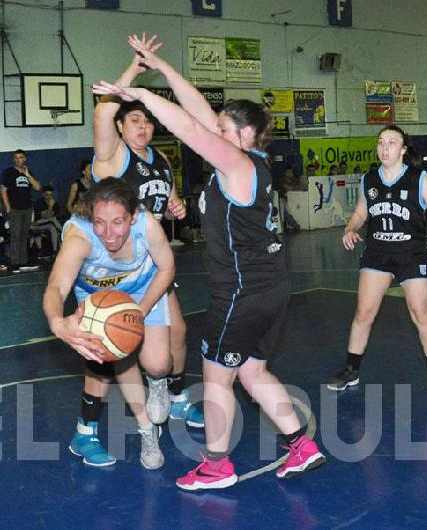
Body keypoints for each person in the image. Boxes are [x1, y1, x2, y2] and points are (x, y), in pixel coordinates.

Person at [93, 32, 326, 490]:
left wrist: (141, 93)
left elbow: (192, 129)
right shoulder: (250, 161)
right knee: (253, 370)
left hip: (242, 291)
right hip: (272, 286)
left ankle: (217, 465)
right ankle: (302, 445)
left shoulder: (238, 164)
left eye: (224, 129)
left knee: (218, 379)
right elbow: (199, 110)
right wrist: (160, 66)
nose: (216, 132)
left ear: (242, 134)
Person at [89, 34, 204, 431]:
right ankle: (91, 424)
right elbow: (102, 115)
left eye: (147, 120)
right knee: (115, 345)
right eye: (134, 120)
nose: (143, 126)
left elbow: (168, 197)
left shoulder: (160, 161)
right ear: (121, 128)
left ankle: (174, 395)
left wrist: (177, 203)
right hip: (114, 266)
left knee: (180, 331)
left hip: (153, 264)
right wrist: (131, 76)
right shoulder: (112, 158)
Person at [42, 178, 174, 469]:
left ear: (133, 216)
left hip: (143, 290)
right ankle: (147, 429)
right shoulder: (80, 237)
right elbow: (56, 286)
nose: (108, 233)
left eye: (117, 222)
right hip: (97, 299)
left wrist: (138, 311)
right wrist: (56, 322)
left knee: (158, 363)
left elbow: (167, 268)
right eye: (100, 222)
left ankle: (158, 381)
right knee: (118, 358)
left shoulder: (147, 225)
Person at [326, 125, 427, 399]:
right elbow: (361, 213)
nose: (384, 148)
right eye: (381, 142)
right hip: (378, 253)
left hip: (412, 254)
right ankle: (351, 369)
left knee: (421, 314)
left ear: (403, 149)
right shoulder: (368, 179)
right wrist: (350, 228)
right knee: (363, 314)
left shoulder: (419, 179)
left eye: (391, 143)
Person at [0, 149, 41, 273]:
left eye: (21, 157)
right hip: (15, 208)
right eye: (16, 158)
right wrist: (7, 206)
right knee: (15, 235)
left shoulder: (28, 172)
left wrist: (28, 175)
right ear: (14, 159)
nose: (19, 160)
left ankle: (23, 261)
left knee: (24, 235)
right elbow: (3, 189)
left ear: (25, 159)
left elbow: (38, 187)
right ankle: (14, 263)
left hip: (27, 208)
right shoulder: (8, 172)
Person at [31, 185, 65, 258]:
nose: (49, 197)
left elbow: (55, 215)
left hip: (46, 223)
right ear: (43, 194)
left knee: (52, 227)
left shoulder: (55, 203)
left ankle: (54, 250)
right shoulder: (39, 203)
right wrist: (50, 206)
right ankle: (64, 232)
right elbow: (45, 216)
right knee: (52, 219)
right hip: (35, 223)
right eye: (47, 195)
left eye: (51, 195)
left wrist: (52, 207)